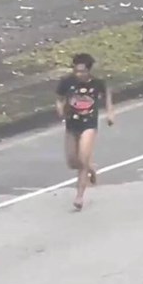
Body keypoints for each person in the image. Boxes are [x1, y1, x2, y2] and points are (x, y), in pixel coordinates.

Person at [55, 53, 115, 210]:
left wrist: (110, 114)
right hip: (71, 124)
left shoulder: (97, 84)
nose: (79, 74)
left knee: (82, 159)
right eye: (76, 71)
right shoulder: (67, 82)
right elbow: (59, 98)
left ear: (89, 70)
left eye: (82, 71)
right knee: (72, 161)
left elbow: (107, 96)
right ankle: (90, 167)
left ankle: (79, 196)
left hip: (89, 124)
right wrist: (60, 109)